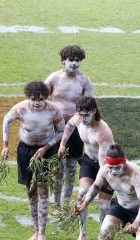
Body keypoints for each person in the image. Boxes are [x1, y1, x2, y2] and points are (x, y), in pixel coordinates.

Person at [1, 81, 65, 240]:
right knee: (30, 191)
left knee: (43, 191)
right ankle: (35, 230)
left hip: (46, 152)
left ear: (46, 97)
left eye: (41, 99)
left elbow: (61, 131)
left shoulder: (54, 110)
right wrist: (5, 145)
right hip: (25, 151)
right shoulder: (21, 108)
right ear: (28, 97)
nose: (37, 102)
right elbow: (7, 121)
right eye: (33, 98)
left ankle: (43, 233)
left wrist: (46, 147)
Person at [58, 96, 114, 240]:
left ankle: (103, 235)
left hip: (107, 167)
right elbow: (69, 126)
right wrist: (62, 144)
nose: (83, 118)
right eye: (81, 114)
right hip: (88, 160)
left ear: (94, 111)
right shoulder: (78, 118)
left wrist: (103, 182)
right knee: (82, 195)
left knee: (103, 205)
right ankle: (82, 234)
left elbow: (104, 163)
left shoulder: (103, 132)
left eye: (86, 115)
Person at [45, 44, 95, 208]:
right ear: (63, 61)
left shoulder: (84, 81)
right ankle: (56, 203)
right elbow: (40, 99)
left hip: (76, 128)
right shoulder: (53, 78)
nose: (74, 63)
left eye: (77, 61)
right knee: (58, 167)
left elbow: (90, 105)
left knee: (72, 166)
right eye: (71, 60)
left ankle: (66, 202)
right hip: (55, 127)